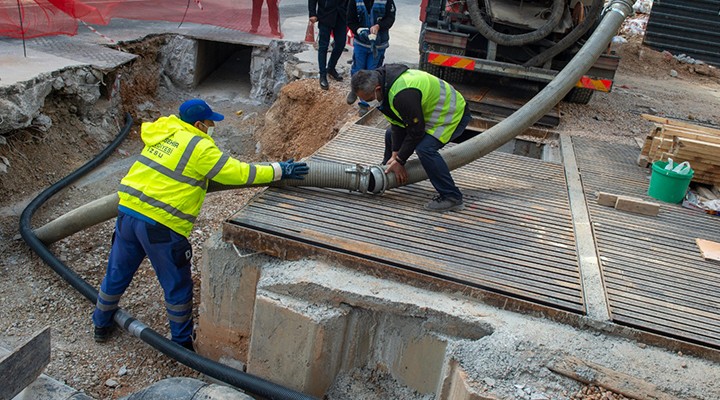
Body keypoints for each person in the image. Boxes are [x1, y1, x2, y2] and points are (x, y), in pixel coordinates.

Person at [92, 99, 309, 351]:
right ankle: (182, 345)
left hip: (127, 215)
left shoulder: (164, 132)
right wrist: (279, 169)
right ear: (198, 124)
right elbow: (239, 173)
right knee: (177, 285)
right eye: (209, 122)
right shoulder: (198, 146)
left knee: (117, 273)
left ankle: (100, 324)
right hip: (160, 225)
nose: (211, 126)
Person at [350, 65, 478, 212]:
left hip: (449, 114)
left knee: (425, 149)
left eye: (370, 99)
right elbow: (397, 123)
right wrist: (395, 154)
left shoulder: (402, 94)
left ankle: (452, 197)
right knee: (390, 134)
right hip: (424, 114)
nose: (370, 102)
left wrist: (400, 160)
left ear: (377, 89)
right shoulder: (384, 84)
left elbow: (416, 131)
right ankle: (387, 172)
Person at [346, 0, 396, 116]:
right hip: (361, 43)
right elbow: (351, 20)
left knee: (372, 73)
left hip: (378, 45)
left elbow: (390, 18)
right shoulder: (355, 1)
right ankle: (354, 90)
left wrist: (379, 26)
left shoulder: (385, 1)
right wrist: (358, 29)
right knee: (357, 69)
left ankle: (364, 103)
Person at [309, 0, 348, 90]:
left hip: (341, 15)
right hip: (325, 14)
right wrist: (312, 13)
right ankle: (323, 74)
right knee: (323, 46)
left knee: (341, 44)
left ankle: (331, 68)